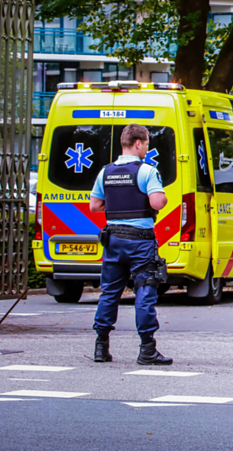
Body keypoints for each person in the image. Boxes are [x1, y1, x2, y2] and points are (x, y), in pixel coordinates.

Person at [90, 124, 171, 365]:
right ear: (137, 143)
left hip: (113, 239)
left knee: (110, 292)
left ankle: (101, 348)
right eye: (146, 143)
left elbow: (94, 206)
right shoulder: (147, 171)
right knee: (145, 291)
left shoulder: (105, 172)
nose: (147, 148)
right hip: (140, 242)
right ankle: (147, 349)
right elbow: (157, 203)